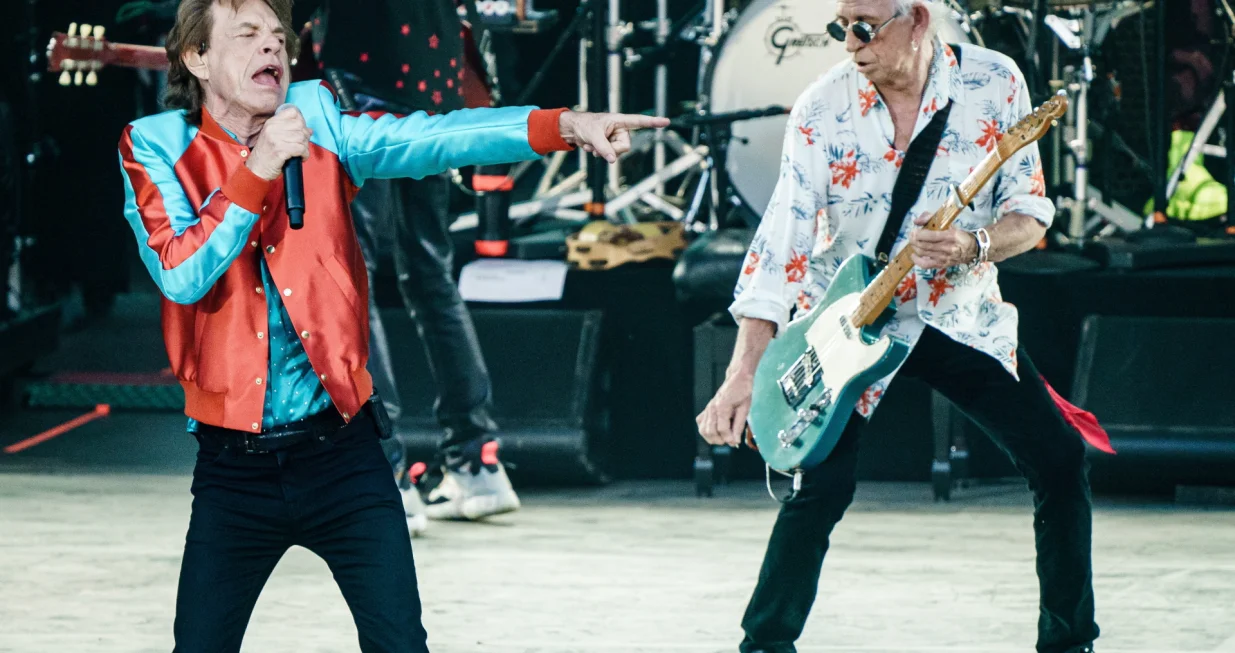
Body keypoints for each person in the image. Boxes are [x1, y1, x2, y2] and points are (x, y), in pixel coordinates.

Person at [116, 0, 665, 650]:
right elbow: (181, 273)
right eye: (247, 35)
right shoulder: (154, 144)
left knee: (400, 642)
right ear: (196, 58)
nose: (272, 47)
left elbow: (431, 137)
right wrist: (257, 167)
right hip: (233, 469)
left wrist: (561, 124)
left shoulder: (317, 118)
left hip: (344, 455)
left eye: (277, 35)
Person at [695, 0, 1101, 652]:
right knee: (819, 485)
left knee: (1058, 459)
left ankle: (1068, 641)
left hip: (956, 313)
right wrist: (743, 368)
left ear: (915, 19)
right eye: (839, 27)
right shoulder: (820, 107)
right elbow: (780, 244)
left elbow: (1029, 215)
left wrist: (972, 246)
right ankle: (763, 644)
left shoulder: (993, 84)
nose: (848, 44)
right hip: (850, 316)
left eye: (863, 26)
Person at [289, 0, 519, 534]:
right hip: (430, 87)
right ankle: (477, 461)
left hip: (359, 89)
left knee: (353, 276)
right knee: (430, 273)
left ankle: (386, 468)